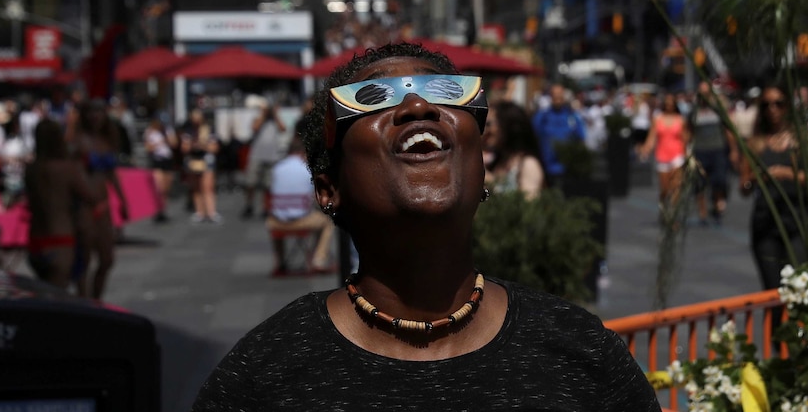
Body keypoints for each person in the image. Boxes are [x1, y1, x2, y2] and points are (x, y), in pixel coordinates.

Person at [192, 42, 661, 411]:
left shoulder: (583, 355)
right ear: (328, 188)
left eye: (446, 92)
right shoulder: (263, 376)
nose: (418, 105)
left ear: (481, 167)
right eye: (372, 98)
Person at [740, 84, 808, 292]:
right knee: (773, 290)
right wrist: (757, 179)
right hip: (766, 224)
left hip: (797, 222)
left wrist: (786, 174)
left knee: (798, 287)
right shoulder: (755, 143)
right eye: (766, 105)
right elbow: (744, 186)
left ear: (787, 107)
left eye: (778, 104)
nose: (772, 109)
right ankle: (775, 325)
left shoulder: (803, 140)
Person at [24, 119, 101, 289]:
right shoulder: (67, 169)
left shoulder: (31, 169)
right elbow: (91, 196)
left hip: (36, 239)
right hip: (60, 239)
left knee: (44, 292)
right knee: (58, 297)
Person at [72, 99, 129, 299]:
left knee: (107, 259)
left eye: (99, 111)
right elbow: (73, 174)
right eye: (91, 111)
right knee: (84, 259)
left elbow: (112, 174)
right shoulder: (77, 141)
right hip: (84, 205)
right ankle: (84, 300)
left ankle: (96, 298)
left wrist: (123, 200)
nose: (95, 116)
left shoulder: (107, 140)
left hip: (102, 204)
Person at [265, 121, 335, 275]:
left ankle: (281, 261)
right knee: (327, 222)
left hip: (276, 222)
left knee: (276, 216)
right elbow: (315, 197)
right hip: (301, 221)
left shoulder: (277, 168)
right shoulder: (307, 170)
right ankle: (319, 259)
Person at [689, 82, 737, 225]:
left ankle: (717, 203)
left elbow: (728, 131)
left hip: (717, 149)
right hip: (700, 150)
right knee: (700, 184)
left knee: (719, 180)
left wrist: (734, 149)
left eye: (706, 93)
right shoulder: (695, 111)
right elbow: (689, 131)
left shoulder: (717, 110)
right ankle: (703, 213)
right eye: (701, 93)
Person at [482, 100, 545, 198]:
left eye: (489, 124)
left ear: (507, 126)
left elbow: (530, 208)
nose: (485, 131)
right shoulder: (498, 162)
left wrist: (492, 183)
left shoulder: (528, 164)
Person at [531, 83, 586, 188]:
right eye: (554, 95)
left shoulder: (572, 117)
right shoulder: (542, 117)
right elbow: (533, 136)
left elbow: (581, 138)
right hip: (546, 168)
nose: (557, 98)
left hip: (568, 168)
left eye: (560, 95)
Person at [639, 93, 688, 207]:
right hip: (662, 155)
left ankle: (674, 214)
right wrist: (646, 149)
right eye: (667, 104)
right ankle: (664, 206)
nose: (669, 106)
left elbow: (684, 138)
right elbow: (652, 137)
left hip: (677, 154)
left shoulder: (680, 120)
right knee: (665, 188)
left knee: (676, 186)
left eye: (671, 104)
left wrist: (687, 154)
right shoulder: (658, 119)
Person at [241, 103, 286, 219]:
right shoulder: (258, 118)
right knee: (250, 182)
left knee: (268, 185)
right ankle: (249, 205)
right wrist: (263, 114)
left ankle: (266, 208)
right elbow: (254, 127)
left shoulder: (275, 120)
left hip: (272, 156)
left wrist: (275, 115)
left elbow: (283, 129)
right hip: (257, 155)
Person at [180, 109, 221, 224]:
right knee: (196, 187)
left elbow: (214, 148)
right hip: (193, 160)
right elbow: (184, 148)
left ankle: (211, 211)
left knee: (208, 187)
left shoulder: (209, 130)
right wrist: (193, 145)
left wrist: (203, 145)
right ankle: (199, 211)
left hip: (206, 160)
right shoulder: (188, 132)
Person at [144, 117, 177, 223]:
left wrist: (167, 137)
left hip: (167, 160)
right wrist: (159, 143)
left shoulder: (168, 130)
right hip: (157, 160)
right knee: (159, 187)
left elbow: (174, 143)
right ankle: (157, 210)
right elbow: (148, 148)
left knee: (166, 188)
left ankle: (163, 209)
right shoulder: (150, 132)